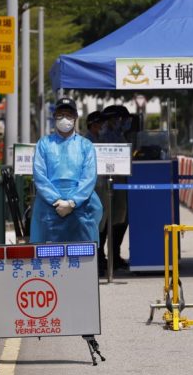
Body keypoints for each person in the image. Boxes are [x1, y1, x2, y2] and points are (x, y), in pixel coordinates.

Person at [29, 97, 103, 245]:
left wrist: (72, 202)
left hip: (80, 205)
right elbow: (40, 175)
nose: (64, 119)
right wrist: (56, 200)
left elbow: (89, 177)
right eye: (60, 115)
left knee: (83, 253)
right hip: (49, 206)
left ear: (75, 117)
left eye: (69, 115)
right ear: (54, 117)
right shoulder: (44, 144)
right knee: (49, 255)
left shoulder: (85, 145)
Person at [99, 105, 130, 269]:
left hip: (119, 183)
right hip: (107, 185)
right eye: (122, 119)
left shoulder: (118, 135)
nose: (124, 122)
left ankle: (114, 255)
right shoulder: (104, 136)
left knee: (120, 220)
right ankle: (101, 257)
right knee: (106, 221)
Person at [84, 111, 109, 276]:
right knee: (96, 223)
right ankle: (97, 258)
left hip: (101, 185)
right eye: (100, 123)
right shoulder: (87, 141)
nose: (102, 127)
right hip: (94, 188)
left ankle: (101, 257)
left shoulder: (98, 140)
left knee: (103, 223)